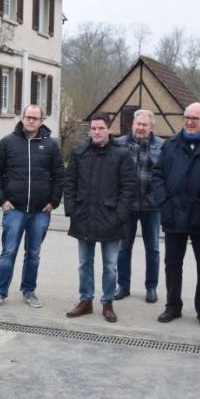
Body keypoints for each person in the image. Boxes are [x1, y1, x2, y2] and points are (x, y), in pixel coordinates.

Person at [152, 102, 200, 327]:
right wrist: (164, 203)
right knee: (172, 264)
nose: (189, 122)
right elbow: (158, 176)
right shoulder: (171, 145)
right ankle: (172, 306)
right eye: (187, 117)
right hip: (174, 215)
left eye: (195, 118)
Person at [0, 105, 65, 309]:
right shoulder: (7, 143)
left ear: (41, 121)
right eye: (28, 117)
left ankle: (29, 290)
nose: (31, 121)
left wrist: (53, 201)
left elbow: (59, 175)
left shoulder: (50, 146)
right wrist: (2, 200)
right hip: (14, 209)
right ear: (22, 118)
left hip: (40, 211)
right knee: (8, 251)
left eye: (35, 118)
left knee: (33, 253)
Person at [64, 113, 136, 323]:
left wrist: (120, 214)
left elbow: (129, 187)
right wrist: (72, 210)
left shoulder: (121, 155)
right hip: (83, 217)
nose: (96, 132)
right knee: (84, 262)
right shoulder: (79, 153)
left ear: (109, 130)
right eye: (93, 128)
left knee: (110, 265)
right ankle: (86, 300)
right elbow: (70, 183)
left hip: (111, 219)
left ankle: (108, 302)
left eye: (100, 128)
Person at [114, 109, 165, 304]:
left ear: (151, 127)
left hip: (152, 206)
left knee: (152, 248)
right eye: (138, 124)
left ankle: (151, 287)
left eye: (145, 125)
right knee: (123, 247)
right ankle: (123, 286)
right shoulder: (119, 144)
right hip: (126, 205)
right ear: (132, 125)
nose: (141, 128)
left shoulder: (162, 146)